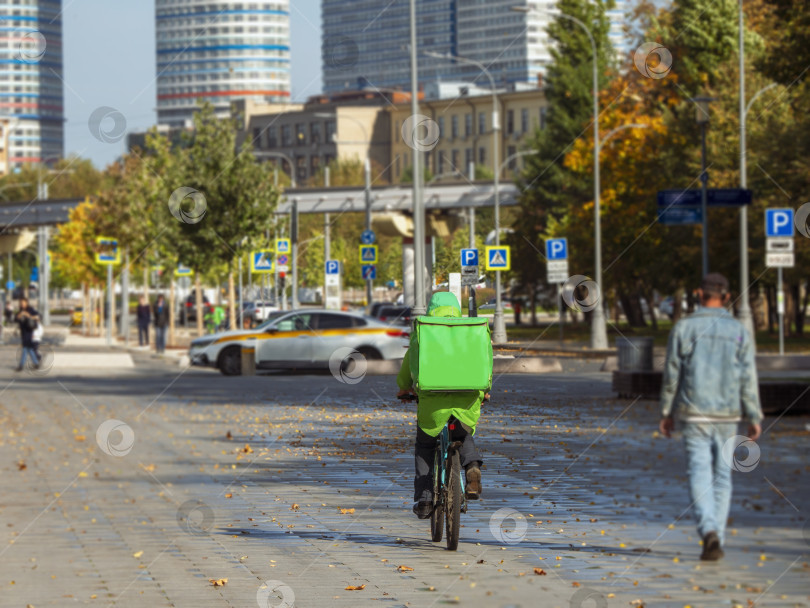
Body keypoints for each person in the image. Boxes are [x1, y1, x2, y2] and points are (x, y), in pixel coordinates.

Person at [659, 273, 763, 561]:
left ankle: (708, 532)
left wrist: (667, 411)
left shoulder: (683, 328)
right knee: (722, 476)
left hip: (693, 414)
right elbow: (747, 376)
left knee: (698, 471)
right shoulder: (739, 330)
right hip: (728, 415)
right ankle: (716, 532)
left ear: (698, 294)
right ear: (727, 297)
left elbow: (671, 374)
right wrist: (753, 414)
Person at [397, 292, 489, 519]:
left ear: (431, 309)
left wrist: (404, 387)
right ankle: (472, 466)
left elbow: (410, 363)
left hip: (433, 402)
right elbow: (487, 359)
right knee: (463, 434)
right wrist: (484, 390)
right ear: (456, 308)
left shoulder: (424, 331)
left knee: (425, 445)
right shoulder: (472, 330)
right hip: (467, 399)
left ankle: (426, 498)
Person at [15, 297, 40, 371]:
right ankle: (36, 363)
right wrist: (20, 315)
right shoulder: (20, 310)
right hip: (23, 331)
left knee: (25, 348)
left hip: (29, 331)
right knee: (29, 348)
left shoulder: (30, 309)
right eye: (21, 303)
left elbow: (37, 317)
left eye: (23, 303)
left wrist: (27, 315)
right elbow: (16, 319)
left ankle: (21, 366)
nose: (22, 304)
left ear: (26, 303)